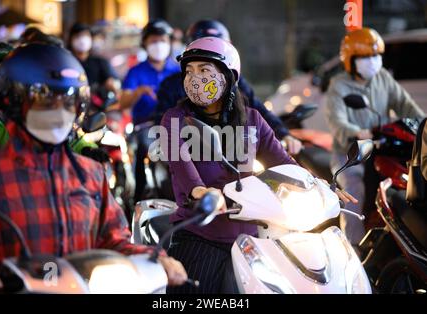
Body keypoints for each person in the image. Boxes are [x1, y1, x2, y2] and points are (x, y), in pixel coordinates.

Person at [0, 43, 186, 292]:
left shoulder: (90, 173)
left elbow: (114, 239)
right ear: (14, 101)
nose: (59, 112)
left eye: (68, 102)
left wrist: (155, 258)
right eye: (45, 101)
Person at [162, 37, 356, 294]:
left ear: (228, 76)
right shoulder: (175, 120)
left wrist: (318, 185)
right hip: (200, 232)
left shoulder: (252, 120)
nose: (194, 78)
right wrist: (201, 192)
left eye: (204, 70)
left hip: (253, 235)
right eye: (189, 71)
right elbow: (181, 166)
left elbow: (284, 163)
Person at [325, 27, 425, 246]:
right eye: (366, 57)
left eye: (376, 55)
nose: (373, 60)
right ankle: (353, 248)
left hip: (382, 147)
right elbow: (337, 121)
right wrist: (357, 131)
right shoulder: (339, 85)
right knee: (354, 189)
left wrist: (423, 125)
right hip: (350, 153)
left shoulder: (383, 78)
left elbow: (406, 105)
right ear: (351, 59)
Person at [155, 19, 303, 156]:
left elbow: (259, 110)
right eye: (190, 70)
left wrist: (284, 134)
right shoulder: (171, 87)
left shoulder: (237, 86)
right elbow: (163, 124)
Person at [120, 19, 180, 203]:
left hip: (176, 125)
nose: (159, 45)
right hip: (145, 125)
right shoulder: (135, 72)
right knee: (146, 147)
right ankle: (138, 196)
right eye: (154, 41)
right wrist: (139, 92)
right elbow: (123, 103)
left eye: (162, 40)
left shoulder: (179, 70)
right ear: (145, 43)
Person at [68, 23, 120, 93]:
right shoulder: (66, 63)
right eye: (78, 36)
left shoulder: (100, 62)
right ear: (70, 40)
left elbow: (113, 81)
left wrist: (112, 83)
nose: (82, 40)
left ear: (91, 39)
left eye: (85, 35)